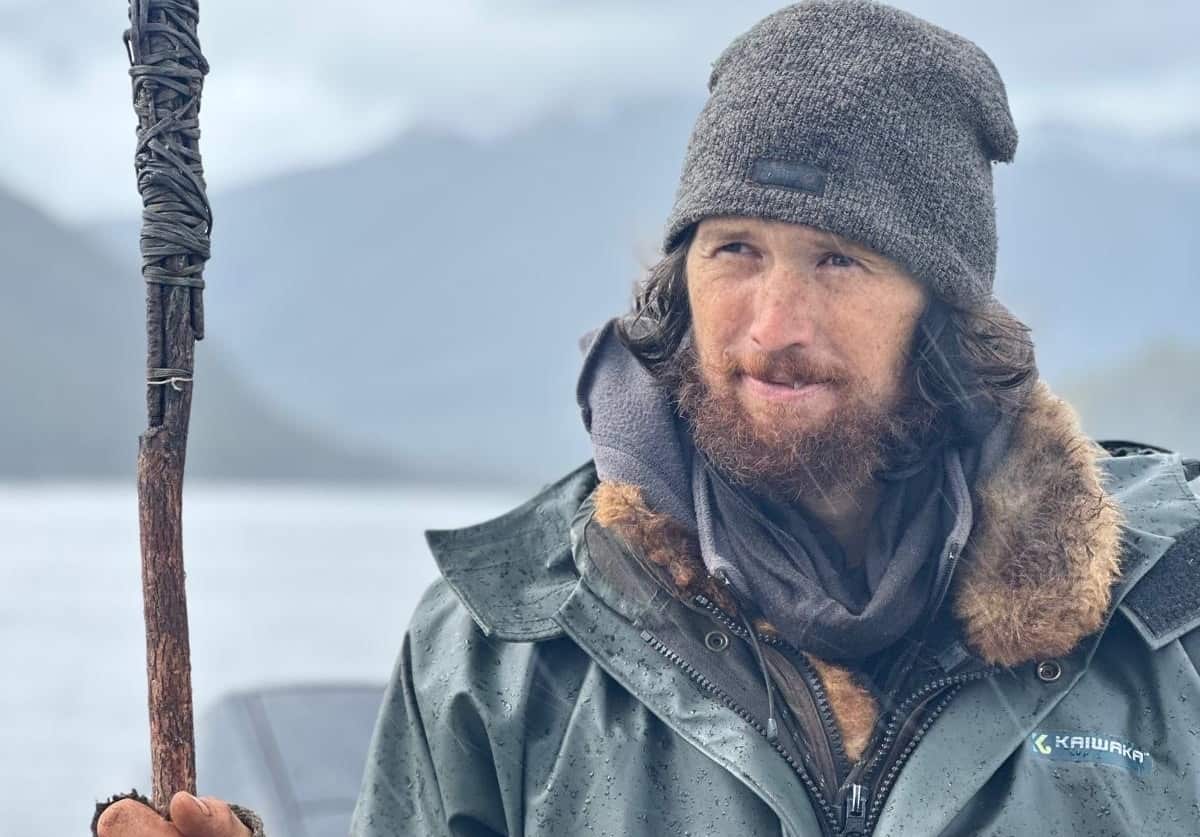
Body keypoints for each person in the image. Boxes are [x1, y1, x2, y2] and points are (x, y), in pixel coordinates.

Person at [98, 1, 1200, 836]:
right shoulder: (501, 650)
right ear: (681, 278)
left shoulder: (1165, 630)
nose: (773, 324)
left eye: (839, 259)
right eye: (735, 251)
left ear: (946, 315)